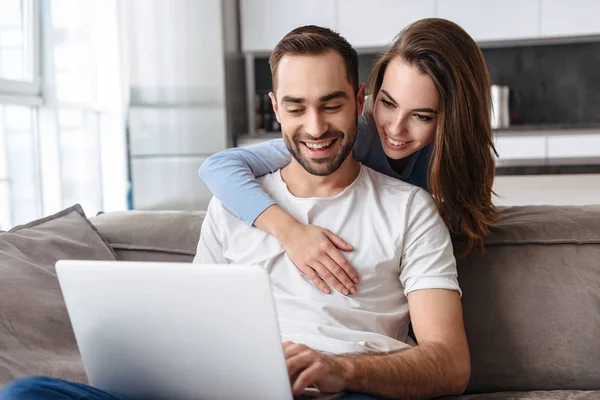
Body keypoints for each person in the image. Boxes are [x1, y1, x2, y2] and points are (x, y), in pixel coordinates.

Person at [0, 25, 470, 400]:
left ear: (357, 101)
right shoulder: (234, 205)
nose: (315, 127)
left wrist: (341, 370)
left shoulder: (412, 208)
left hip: (337, 388)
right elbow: (198, 326)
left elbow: (450, 364)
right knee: (27, 393)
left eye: (331, 105)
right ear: (275, 109)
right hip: (225, 388)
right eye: (296, 107)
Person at [199, 18, 499, 297]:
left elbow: (466, 223)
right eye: (387, 103)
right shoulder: (355, 132)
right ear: (366, 98)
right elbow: (219, 166)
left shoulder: (459, 164)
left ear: (453, 120)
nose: (395, 129)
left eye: (421, 116)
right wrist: (291, 233)